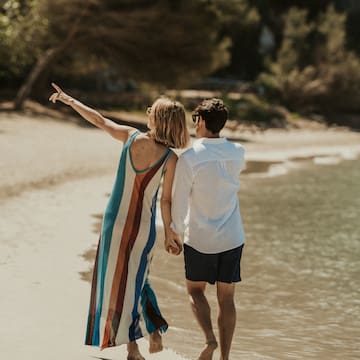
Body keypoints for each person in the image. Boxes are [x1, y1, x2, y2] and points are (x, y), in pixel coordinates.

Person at [49, 83, 188, 360]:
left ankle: (135, 347)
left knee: (117, 284)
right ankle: (153, 330)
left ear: (156, 119)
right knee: (137, 280)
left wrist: (71, 100)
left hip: (114, 223)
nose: (147, 112)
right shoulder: (171, 159)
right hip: (142, 227)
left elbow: (99, 120)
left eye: (151, 110)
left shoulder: (130, 136)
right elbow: (165, 201)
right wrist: (169, 231)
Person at [171, 98, 246, 360]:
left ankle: (210, 340)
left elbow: (179, 199)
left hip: (200, 238)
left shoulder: (190, 158)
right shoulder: (238, 152)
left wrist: (174, 232)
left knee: (195, 290)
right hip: (232, 236)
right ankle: (225, 358)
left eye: (196, 121)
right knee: (227, 299)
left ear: (201, 122)